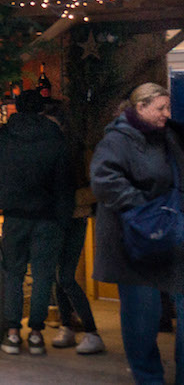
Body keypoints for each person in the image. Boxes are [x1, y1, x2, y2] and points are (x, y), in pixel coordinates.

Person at [90, 82, 184, 383]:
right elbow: (104, 181)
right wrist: (143, 209)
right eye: (161, 108)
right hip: (132, 242)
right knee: (141, 318)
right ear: (140, 108)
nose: (167, 114)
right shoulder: (116, 140)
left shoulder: (168, 136)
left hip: (168, 237)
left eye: (169, 107)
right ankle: (148, 378)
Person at [0, 90, 73, 355]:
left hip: (15, 217)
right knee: (42, 276)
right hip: (48, 218)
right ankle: (36, 335)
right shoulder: (55, 137)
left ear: (16, 107)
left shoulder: (3, 137)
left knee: (13, 274)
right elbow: (65, 182)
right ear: (42, 109)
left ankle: (13, 334)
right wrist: (63, 217)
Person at [43, 100, 105, 355]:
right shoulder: (47, 149)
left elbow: (94, 189)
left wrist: (66, 200)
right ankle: (67, 327)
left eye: (48, 122)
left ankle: (91, 332)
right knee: (58, 275)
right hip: (54, 218)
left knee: (65, 275)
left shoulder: (78, 150)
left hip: (73, 217)